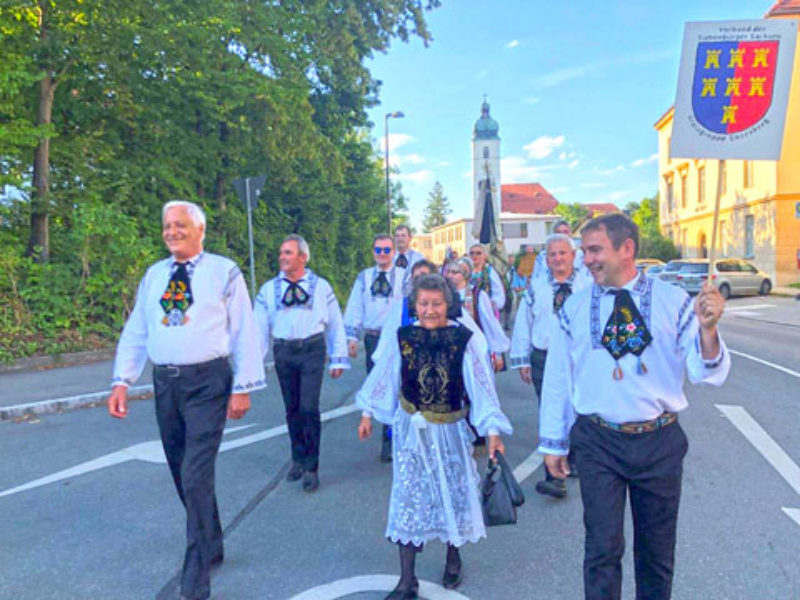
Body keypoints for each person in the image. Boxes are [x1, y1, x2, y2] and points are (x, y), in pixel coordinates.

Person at [539, 213, 730, 600]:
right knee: (602, 549)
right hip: (597, 441)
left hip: (658, 440)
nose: (586, 259)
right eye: (584, 251)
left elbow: (704, 370)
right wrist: (554, 443)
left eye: (595, 250)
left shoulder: (673, 301)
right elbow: (559, 376)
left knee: (656, 553)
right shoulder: (574, 308)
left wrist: (708, 330)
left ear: (626, 249)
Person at [108, 200, 266, 600]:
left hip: (208, 382)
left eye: (180, 224)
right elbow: (138, 330)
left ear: (200, 229)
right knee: (182, 471)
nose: (171, 231)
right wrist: (122, 381)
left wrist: (243, 385)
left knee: (196, 473)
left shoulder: (223, 271)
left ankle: (195, 575)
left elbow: (245, 327)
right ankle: (210, 539)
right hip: (167, 384)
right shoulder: (155, 275)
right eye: (167, 225)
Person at [356, 274, 512, 599]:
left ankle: (453, 557)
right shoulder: (404, 337)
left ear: (447, 305)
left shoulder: (463, 340)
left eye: (436, 304)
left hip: (450, 429)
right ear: (415, 305)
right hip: (411, 429)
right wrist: (368, 413)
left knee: (452, 491)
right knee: (409, 496)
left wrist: (492, 430)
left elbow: (481, 387)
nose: (429, 310)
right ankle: (406, 578)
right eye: (423, 303)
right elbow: (385, 374)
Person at [253, 234, 349, 493]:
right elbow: (258, 329)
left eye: (288, 253)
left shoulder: (321, 287)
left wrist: (338, 356)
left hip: (312, 351)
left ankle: (312, 466)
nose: (282, 257)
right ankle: (297, 458)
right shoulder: (268, 289)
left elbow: (335, 322)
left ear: (303, 257)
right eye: (281, 253)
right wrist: (251, 365)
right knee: (292, 408)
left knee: (309, 408)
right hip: (284, 351)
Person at [509, 233, 589, 498]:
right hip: (544, 357)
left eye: (562, 253)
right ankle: (554, 476)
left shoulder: (587, 285)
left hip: (578, 358)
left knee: (578, 409)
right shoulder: (538, 287)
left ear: (573, 255)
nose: (557, 259)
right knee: (551, 410)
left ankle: (574, 458)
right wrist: (522, 358)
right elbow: (524, 321)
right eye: (552, 254)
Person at [344, 233, 406, 462]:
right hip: (372, 338)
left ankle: (390, 438)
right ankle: (384, 432)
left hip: (398, 338)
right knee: (377, 384)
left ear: (393, 252)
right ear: (373, 252)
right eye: (378, 250)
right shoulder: (365, 277)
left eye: (386, 250)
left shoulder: (403, 276)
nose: (382, 254)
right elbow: (355, 307)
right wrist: (351, 337)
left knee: (399, 386)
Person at [445, 257, 509, 371]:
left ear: (465, 274)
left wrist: (497, 353)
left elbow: (489, 323)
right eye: (448, 272)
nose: (450, 275)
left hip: (475, 348)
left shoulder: (478, 295)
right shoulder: (443, 296)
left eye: (455, 272)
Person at [467, 243, 505, 312]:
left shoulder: (490, 272)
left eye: (478, 253)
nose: (474, 256)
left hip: (486, 310)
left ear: (485, 256)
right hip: (469, 309)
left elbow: (498, 293)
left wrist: (492, 304)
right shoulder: (466, 271)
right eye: (472, 253)